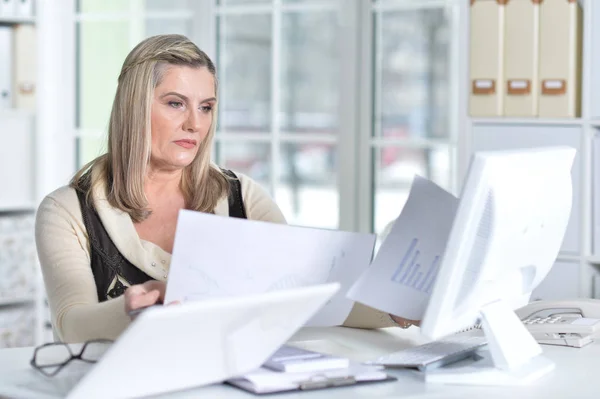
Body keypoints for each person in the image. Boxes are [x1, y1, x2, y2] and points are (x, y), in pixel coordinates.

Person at [35, 34, 415, 344]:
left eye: (206, 107)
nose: (194, 124)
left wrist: (394, 308)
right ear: (133, 107)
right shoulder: (68, 211)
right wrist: (130, 309)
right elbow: (72, 324)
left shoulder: (242, 196)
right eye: (175, 104)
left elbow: (301, 294)